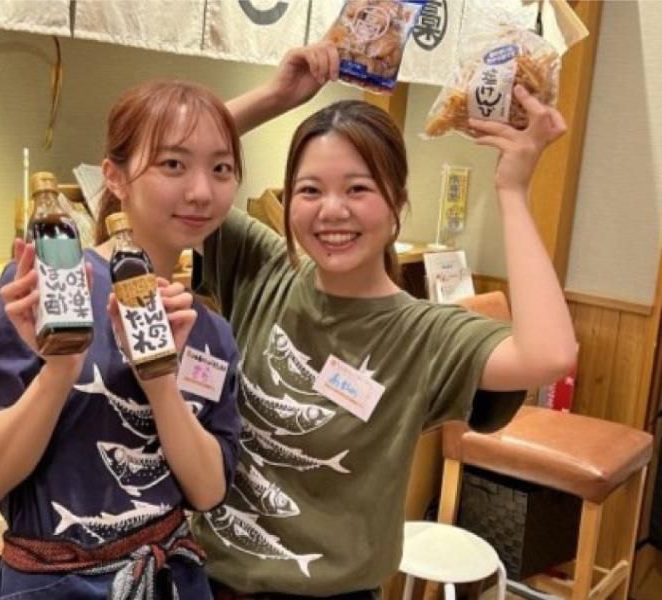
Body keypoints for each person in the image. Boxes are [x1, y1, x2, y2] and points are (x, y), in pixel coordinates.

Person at [190, 42, 578, 598]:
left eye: (358, 189)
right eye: (310, 190)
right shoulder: (262, 266)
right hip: (208, 580)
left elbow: (550, 355)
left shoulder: (424, 335)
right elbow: (156, 169)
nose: (332, 210)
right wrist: (275, 97)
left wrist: (512, 189)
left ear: (397, 203)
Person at [0, 80, 244, 599]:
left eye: (221, 168)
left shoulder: (208, 330)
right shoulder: (50, 289)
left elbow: (207, 491)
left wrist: (159, 379)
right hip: (52, 587)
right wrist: (62, 366)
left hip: (166, 582)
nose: (202, 191)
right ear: (114, 176)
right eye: (174, 164)